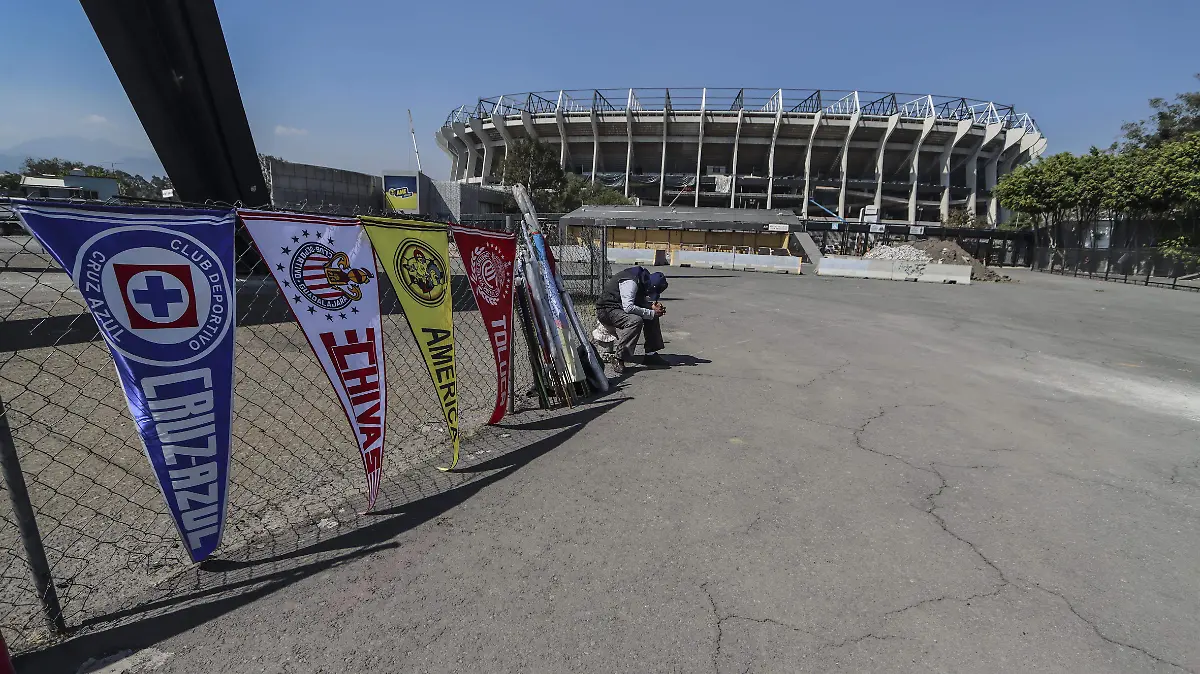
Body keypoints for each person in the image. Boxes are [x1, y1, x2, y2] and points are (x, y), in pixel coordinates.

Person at [595, 266, 669, 373]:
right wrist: (651, 312)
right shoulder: (631, 282)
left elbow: (634, 301)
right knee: (636, 320)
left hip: (619, 307)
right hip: (607, 310)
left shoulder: (642, 280)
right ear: (650, 286)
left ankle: (651, 354)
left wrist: (651, 307)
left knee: (652, 316)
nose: (649, 295)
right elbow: (628, 307)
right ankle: (619, 358)